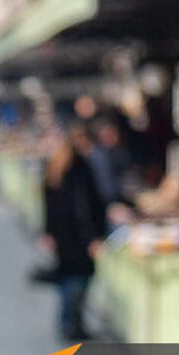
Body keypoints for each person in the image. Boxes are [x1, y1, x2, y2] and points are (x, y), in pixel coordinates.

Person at [40, 123, 109, 341]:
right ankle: (73, 323)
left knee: (67, 279)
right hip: (79, 236)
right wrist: (93, 236)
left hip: (63, 235)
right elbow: (85, 207)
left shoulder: (55, 167)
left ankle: (67, 323)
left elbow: (49, 205)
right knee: (79, 280)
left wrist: (49, 232)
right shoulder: (79, 168)